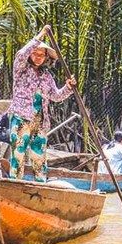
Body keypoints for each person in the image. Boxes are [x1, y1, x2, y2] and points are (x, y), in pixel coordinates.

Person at [7, 25, 76, 182]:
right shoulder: (21, 70)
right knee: (18, 154)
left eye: (41, 54)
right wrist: (42, 34)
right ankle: (14, 183)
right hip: (22, 118)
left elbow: (56, 96)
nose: (38, 57)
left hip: (40, 123)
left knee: (39, 158)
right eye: (35, 53)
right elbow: (20, 55)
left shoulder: (47, 77)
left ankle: (40, 184)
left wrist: (69, 87)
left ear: (46, 58)